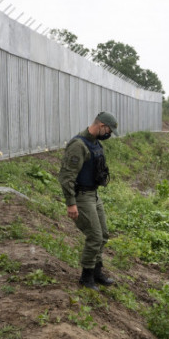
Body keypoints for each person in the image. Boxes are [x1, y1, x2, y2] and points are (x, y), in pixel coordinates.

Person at [57, 111, 117, 290]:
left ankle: (97, 272)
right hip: (82, 197)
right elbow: (66, 176)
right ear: (101, 126)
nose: (109, 134)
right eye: (109, 130)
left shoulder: (95, 143)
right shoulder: (78, 145)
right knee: (95, 236)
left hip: (94, 195)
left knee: (103, 234)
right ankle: (86, 275)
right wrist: (71, 203)